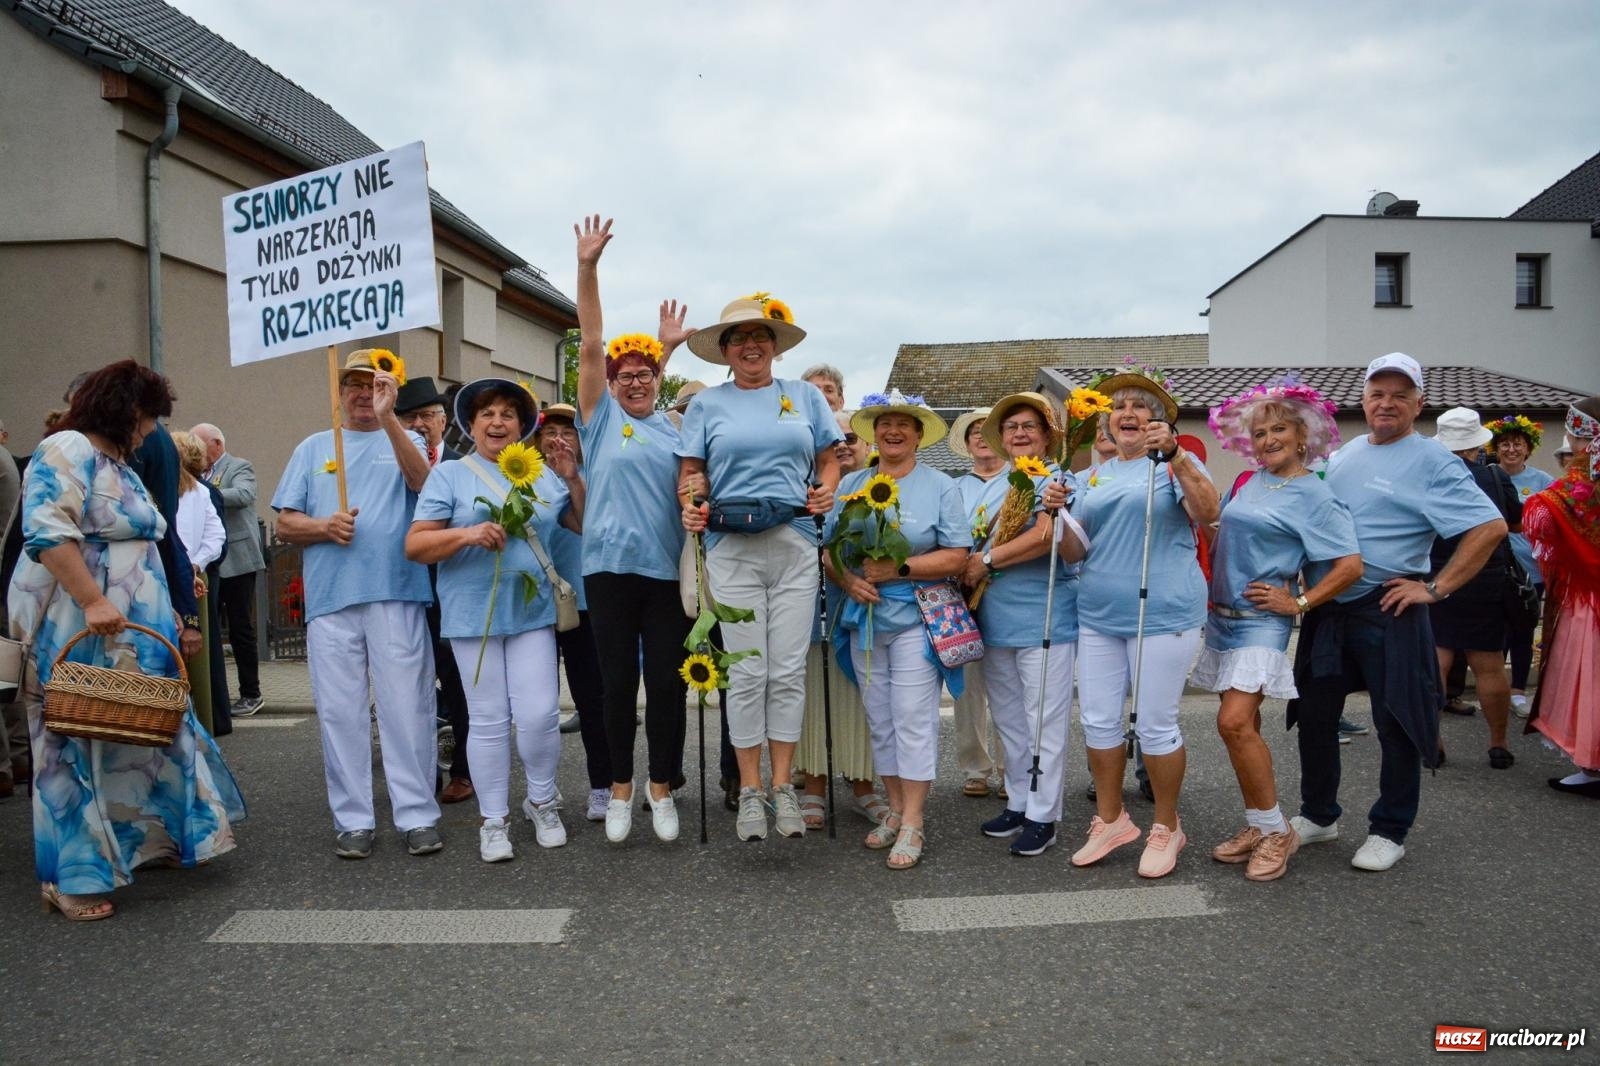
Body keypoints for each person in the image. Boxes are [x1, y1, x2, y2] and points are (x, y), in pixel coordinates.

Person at [6, 360, 245, 920]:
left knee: (135, 733)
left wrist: (169, 612)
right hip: (80, 624)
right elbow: (47, 531)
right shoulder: (67, 447)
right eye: (148, 417)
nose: (151, 430)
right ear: (124, 410)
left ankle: (145, 843)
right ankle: (70, 880)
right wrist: (93, 599)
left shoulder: (117, 462)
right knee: (71, 743)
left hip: (126, 632)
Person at [1288, 353, 1507, 872]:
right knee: (1315, 716)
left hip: (1387, 606)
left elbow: (1490, 526)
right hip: (1329, 607)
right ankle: (1319, 815)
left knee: (1397, 721)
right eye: (1377, 394)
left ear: (1419, 403)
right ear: (1364, 400)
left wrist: (1435, 588)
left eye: (1400, 395)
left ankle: (1390, 829)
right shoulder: (1346, 453)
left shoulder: (1435, 461)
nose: (1386, 403)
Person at [680, 290, 841, 842]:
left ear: (774, 345)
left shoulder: (804, 396)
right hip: (732, 546)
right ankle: (749, 789)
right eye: (739, 338)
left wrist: (827, 489)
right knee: (748, 671)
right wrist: (691, 501)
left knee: (787, 670)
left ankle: (782, 786)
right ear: (725, 350)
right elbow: (691, 473)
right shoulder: (706, 405)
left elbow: (828, 459)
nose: (751, 345)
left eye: (760, 336)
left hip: (794, 539)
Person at [271, 349, 443, 859]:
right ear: (340, 392)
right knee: (340, 712)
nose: (364, 395)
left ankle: (418, 814)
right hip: (332, 598)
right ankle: (353, 820)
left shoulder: (407, 439)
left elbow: (424, 484)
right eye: (354, 386)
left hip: (396, 591)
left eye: (374, 386)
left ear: (389, 392)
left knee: (407, 708)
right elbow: (284, 523)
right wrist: (323, 526)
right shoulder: (312, 448)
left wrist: (390, 420)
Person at [406, 379, 583, 862]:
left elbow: (584, 524)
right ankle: (494, 820)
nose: (497, 422)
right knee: (487, 720)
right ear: (471, 424)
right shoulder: (449, 476)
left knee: (540, 714)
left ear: (523, 426)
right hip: (472, 617)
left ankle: (542, 802)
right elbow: (416, 545)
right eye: (487, 414)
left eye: (508, 414)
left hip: (531, 612)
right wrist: (467, 535)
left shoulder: (542, 475)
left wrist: (572, 478)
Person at [1193, 380, 1361, 881]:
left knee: (1233, 723)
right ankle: (1258, 823)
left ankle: (1276, 832)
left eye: (1279, 430)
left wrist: (1299, 602)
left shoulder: (1316, 495)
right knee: (1244, 729)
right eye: (1261, 432)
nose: (1268, 440)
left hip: (1262, 623)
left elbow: (1350, 565)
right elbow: (1218, 529)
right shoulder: (1249, 481)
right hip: (1221, 618)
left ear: (1303, 435)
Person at [573, 216, 696, 843]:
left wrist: (663, 347)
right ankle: (620, 788)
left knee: (668, 688)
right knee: (617, 685)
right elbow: (594, 343)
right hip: (608, 573)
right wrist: (588, 267)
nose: (636, 381)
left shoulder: (675, 431)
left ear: (657, 381)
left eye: (646, 374)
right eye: (625, 376)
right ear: (611, 385)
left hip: (665, 574)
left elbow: (647, 368)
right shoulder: (598, 420)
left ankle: (661, 787)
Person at [1069, 366, 1219, 878]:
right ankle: (1111, 819)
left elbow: (1208, 512)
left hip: (1162, 612)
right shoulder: (1093, 476)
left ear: (1159, 421)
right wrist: (1056, 513)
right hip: (1098, 613)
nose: (1127, 414)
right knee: (1097, 721)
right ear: (1106, 423)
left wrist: (1176, 456)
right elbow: (1074, 551)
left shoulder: (1175, 463)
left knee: (1154, 724)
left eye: (1140, 407)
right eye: (1118, 407)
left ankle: (1166, 825)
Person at [828, 391, 969, 867]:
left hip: (916, 618)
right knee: (880, 719)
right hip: (864, 619)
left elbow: (957, 555)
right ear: (873, 432)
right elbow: (829, 550)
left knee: (912, 719)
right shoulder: (853, 483)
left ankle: (913, 820)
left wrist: (899, 569)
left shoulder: (940, 486)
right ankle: (893, 807)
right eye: (885, 423)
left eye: (904, 424)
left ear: (918, 435)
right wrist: (848, 580)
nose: (893, 431)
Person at [964, 393, 1086, 858]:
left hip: (1045, 617)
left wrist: (985, 561)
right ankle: (1018, 800)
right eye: (1011, 426)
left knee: (1043, 722)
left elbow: (1045, 536)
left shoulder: (1058, 480)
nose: (1019, 433)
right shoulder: (998, 483)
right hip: (996, 620)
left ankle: (1043, 814)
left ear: (1047, 436)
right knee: (1010, 719)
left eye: (1029, 426)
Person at [797, 411, 890, 828]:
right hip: (812, 609)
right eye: (832, 441)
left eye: (850, 438)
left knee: (862, 701)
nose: (842, 446)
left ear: (867, 444)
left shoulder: (880, 488)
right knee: (814, 699)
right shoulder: (809, 487)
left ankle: (864, 787)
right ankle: (814, 788)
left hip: (865, 611)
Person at [392, 379, 473, 802]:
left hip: (449, 591)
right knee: (410, 686)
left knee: (458, 683)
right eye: (409, 418)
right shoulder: (389, 465)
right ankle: (422, 775)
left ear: (443, 421)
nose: (419, 424)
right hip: (401, 589)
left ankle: (464, 771)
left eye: (427, 416)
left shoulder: (464, 466)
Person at [1427, 408, 1522, 768]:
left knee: (1436, 661)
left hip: (1437, 575)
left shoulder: (1429, 477)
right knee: (1489, 665)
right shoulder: (1495, 476)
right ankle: (1498, 743)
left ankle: (1433, 743)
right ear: (1476, 444)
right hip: (1486, 576)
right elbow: (1515, 524)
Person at [536, 402, 610, 820]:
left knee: (592, 700)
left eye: (568, 432)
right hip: (534, 607)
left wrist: (572, 478)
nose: (558, 439)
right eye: (549, 432)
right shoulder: (523, 476)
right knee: (538, 706)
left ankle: (603, 785)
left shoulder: (593, 473)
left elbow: (590, 524)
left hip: (584, 602)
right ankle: (542, 792)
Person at [1524, 400, 1600, 797]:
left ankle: (1593, 763)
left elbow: (1538, 518)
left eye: (1572, 434)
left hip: (1589, 596)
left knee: (1590, 676)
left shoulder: (1580, 483)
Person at [945, 408, 1005, 799]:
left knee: (1006, 684)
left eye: (988, 430)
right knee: (967, 687)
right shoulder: (954, 487)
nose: (981, 437)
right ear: (966, 444)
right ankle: (975, 766)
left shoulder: (1020, 481)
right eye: (974, 432)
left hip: (1004, 590)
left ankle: (1011, 766)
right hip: (961, 595)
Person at [190, 423, 267, 720]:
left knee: (240, 629)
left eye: (200, 444)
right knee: (209, 628)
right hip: (209, 563)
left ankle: (251, 693)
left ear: (217, 444)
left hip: (238, 561)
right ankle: (212, 696)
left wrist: (204, 492)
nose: (196, 450)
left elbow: (244, 494)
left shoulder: (238, 466)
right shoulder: (198, 473)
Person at [1487, 414, 1555, 717]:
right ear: (1496, 448)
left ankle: (1517, 692)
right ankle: (1497, 689)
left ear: (1528, 449)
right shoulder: (1487, 477)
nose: (1511, 449)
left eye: (1517, 444)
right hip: (1495, 567)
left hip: (1531, 570)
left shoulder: (1543, 482)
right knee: (1495, 631)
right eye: (1504, 444)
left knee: (1523, 631)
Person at [169, 430, 226, 733]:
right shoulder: (200, 491)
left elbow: (216, 535)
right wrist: (196, 563)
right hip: (190, 572)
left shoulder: (195, 492)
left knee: (187, 651)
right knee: (193, 654)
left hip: (180, 575)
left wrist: (192, 564)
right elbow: (216, 538)